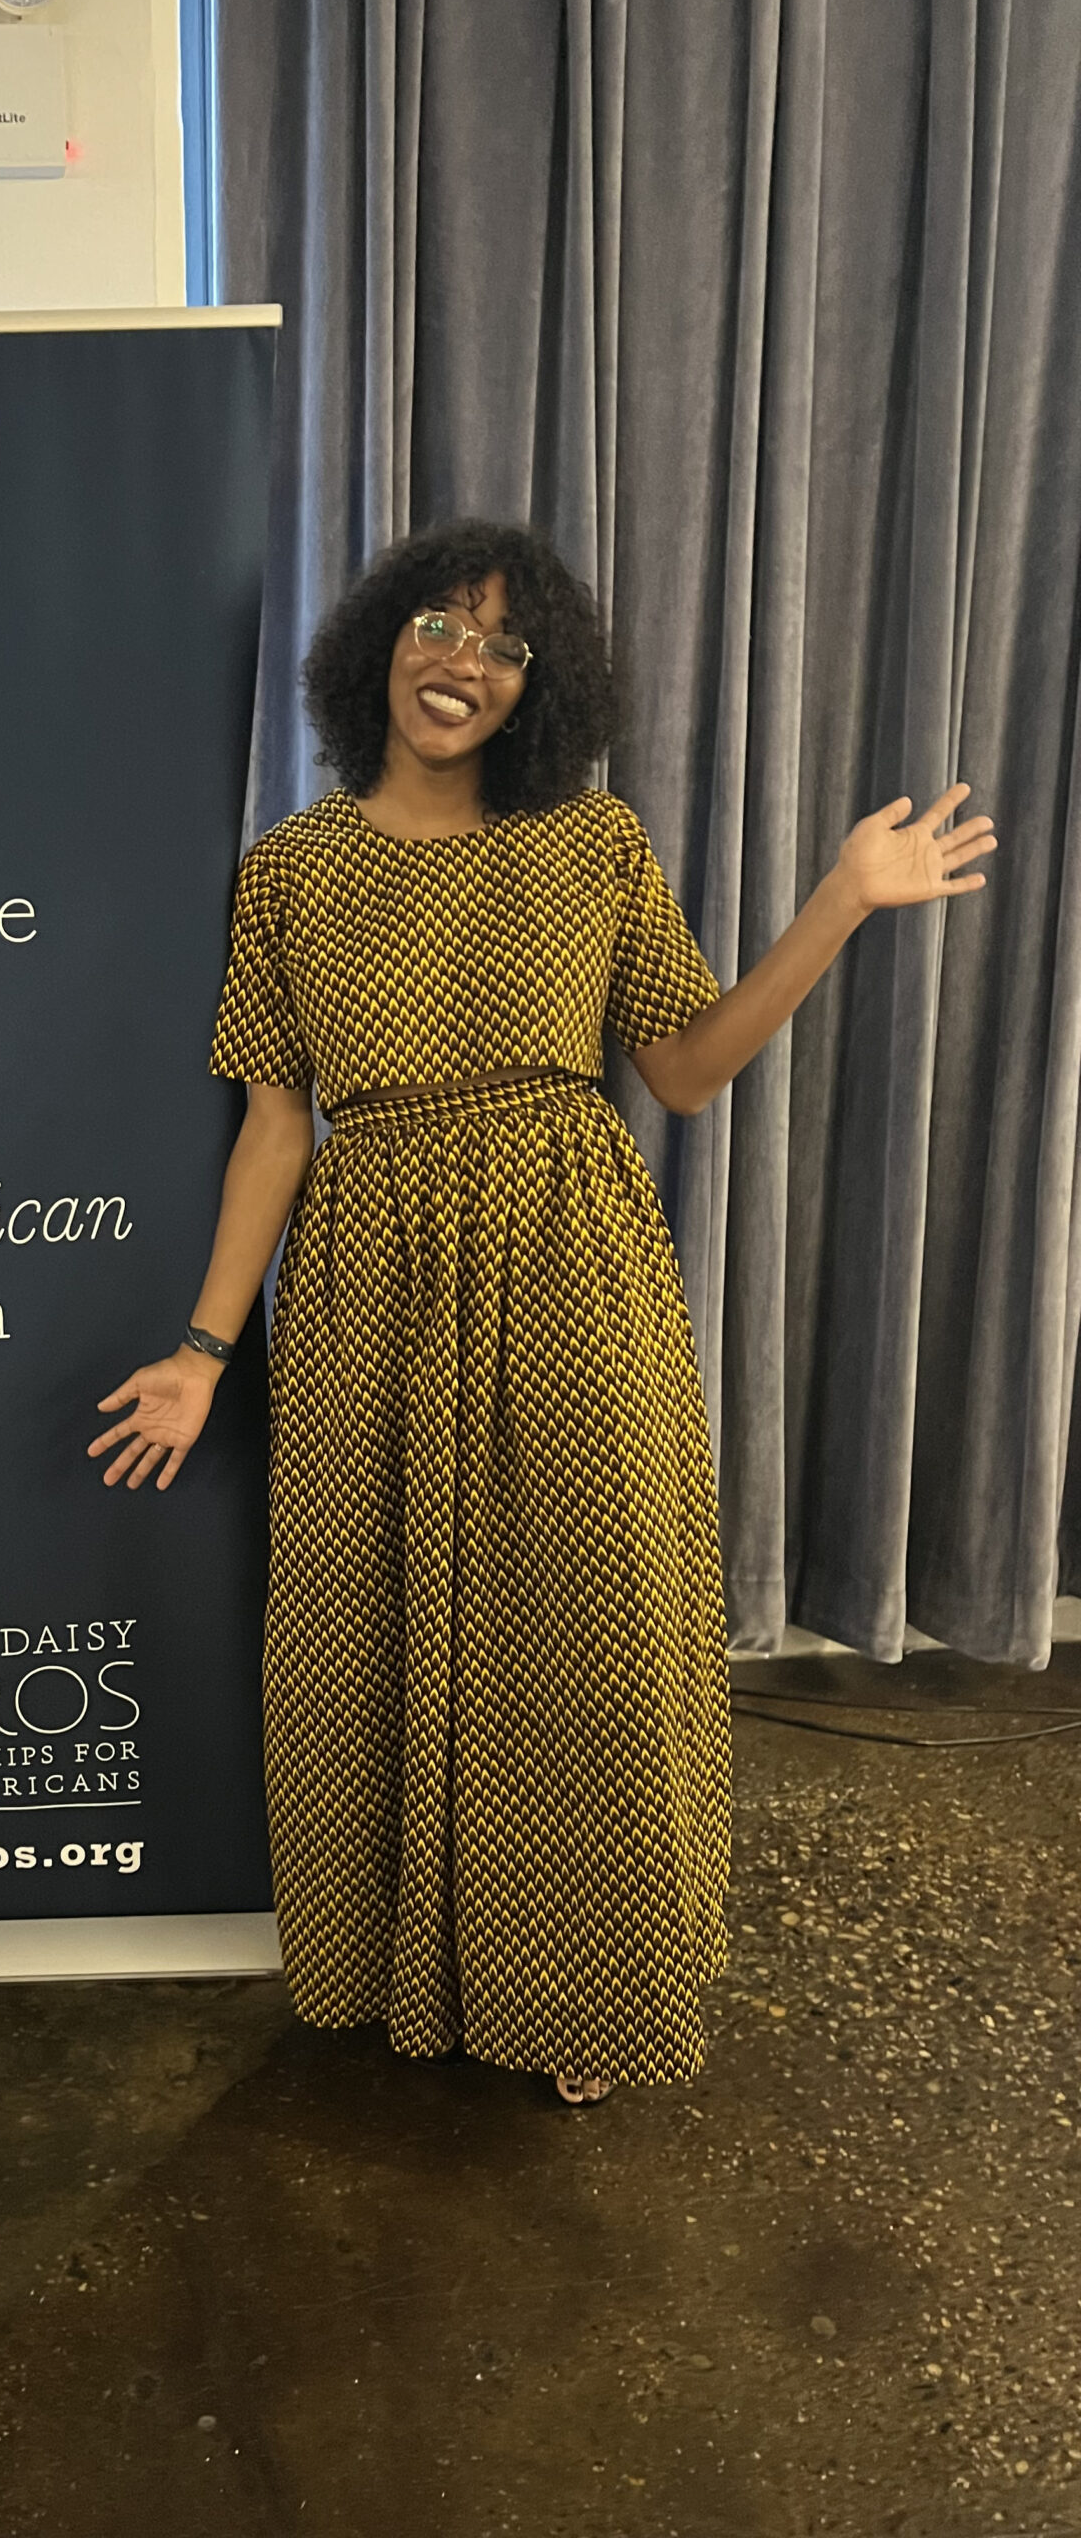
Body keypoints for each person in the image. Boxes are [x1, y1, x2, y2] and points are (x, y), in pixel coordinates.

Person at [89, 519, 995, 2105]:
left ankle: (590, 1982)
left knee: (588, 1628)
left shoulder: (592, 845)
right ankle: (400, 1967)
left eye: (507, 646)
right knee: (372, 1626)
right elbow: (277, 1128)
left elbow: (689, 1071)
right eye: (443, 622)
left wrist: (842, 901)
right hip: (367, 1278)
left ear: (539, 688)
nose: (466, 661)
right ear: (381, 641)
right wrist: (203, 1349)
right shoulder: (289, 873)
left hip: (573, 1265)